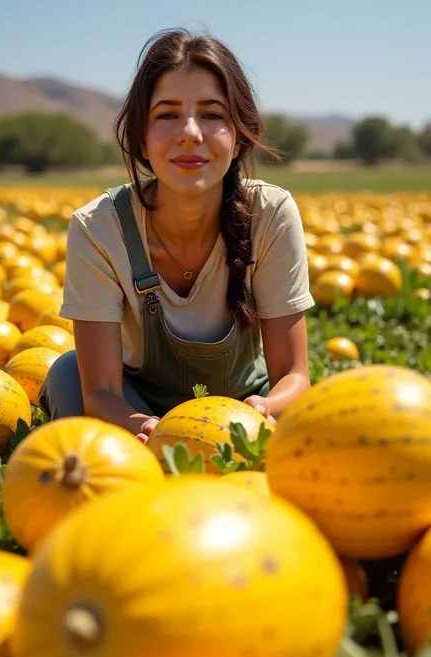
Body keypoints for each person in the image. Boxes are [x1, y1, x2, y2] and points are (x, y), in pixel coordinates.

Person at [39, 27, 314, 443]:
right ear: (142, 140)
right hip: (139, 413)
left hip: (244, 409)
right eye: (167, 114)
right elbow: (101, 392)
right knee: (66, 373)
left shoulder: (270, 214)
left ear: (238, 136)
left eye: (212, 114)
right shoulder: (98, 227)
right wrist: (150, 429)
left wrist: (264, 411)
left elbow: (293, 375)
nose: (189, 131)